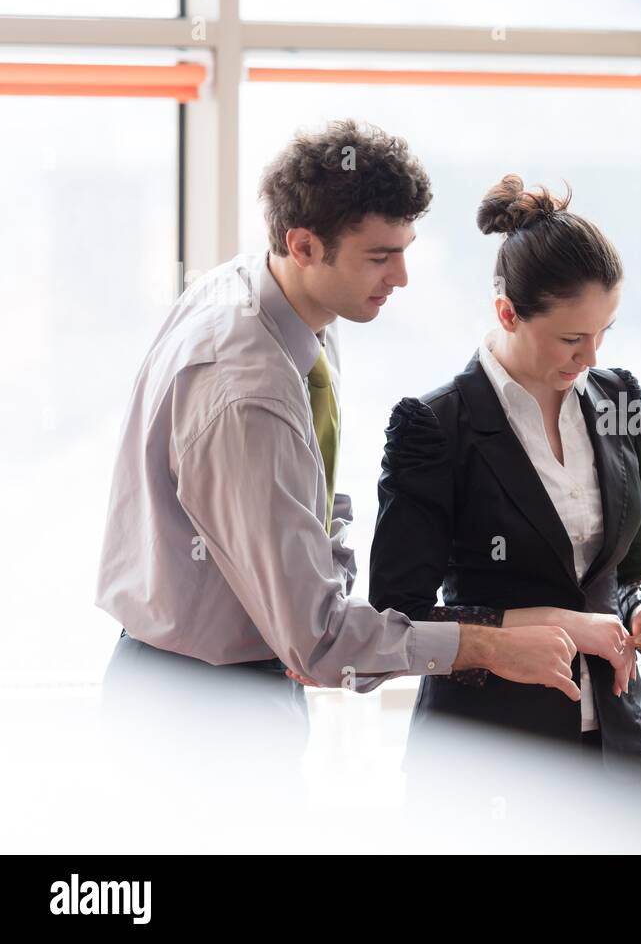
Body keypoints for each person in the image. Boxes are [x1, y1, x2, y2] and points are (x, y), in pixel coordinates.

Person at [94, 123, 589, 841]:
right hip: (197, 711)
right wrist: (487, 644)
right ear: (303, 244)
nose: (401, 278)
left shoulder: (280, 306)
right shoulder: (248, 388)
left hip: (214, 687)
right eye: (380, 257)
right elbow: (320, 643)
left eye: (405, 252)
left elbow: (305, 492)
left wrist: (322, 561)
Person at [367, 176, 641, 845]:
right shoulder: (435, 426)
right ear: (508, 312)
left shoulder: (619, 398)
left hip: (617, 758)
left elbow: (637, 562)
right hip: (487, 765)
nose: (593, 356)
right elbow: (398, 616)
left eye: (604, 332)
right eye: (573, 337)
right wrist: (563, 622)